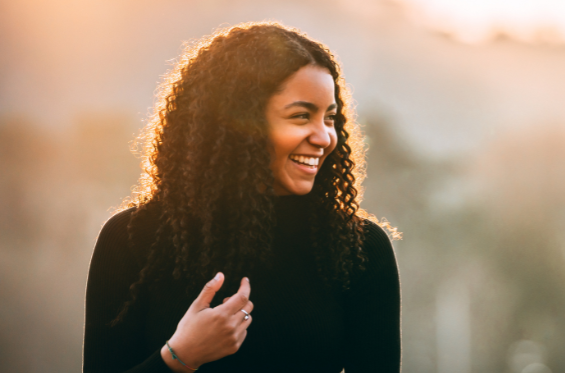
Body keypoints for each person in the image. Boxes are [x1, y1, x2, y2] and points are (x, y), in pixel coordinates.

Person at [83, 22, 401, 372]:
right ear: (237, 124)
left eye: (329, 118)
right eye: (300, 116)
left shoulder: (358, 250)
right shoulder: (132, 240)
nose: (325, 137)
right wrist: (178, 356)